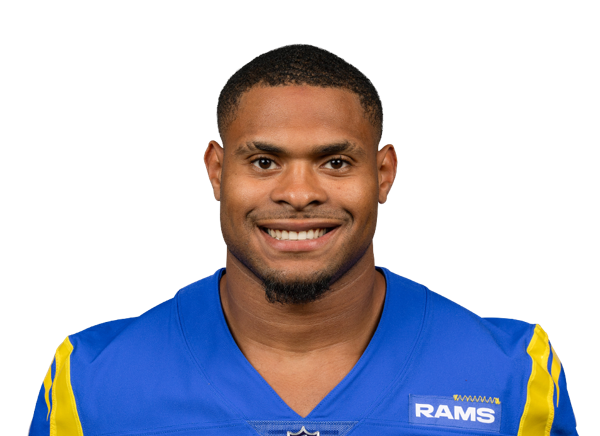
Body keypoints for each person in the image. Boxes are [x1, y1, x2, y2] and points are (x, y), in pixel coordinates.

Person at [28, 44, 577, 436]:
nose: (298, 194)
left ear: (383, 174)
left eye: (335, 162)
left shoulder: (514, 372)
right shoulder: (90, 379)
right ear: (216, 171)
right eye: (264, 161)